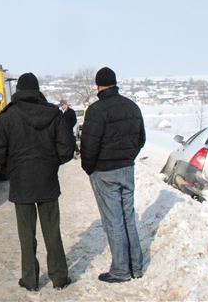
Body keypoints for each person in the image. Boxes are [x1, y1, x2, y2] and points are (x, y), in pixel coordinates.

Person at [0, 73, 76, 292]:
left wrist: (12, 169)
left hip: (21, 183)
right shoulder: (54, 115)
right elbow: (67, 150)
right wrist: (51, 163)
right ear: (38, 90)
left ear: (18, 90)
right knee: (52, 232)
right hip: (47, 181)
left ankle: (30, 280)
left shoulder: (6, 117)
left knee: (26, 236)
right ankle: (59, 277)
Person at [80, 67, 146, 283]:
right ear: (115, 83)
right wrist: (128, 157)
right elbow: (141, 139)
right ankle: (136, 266)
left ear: (98, 86)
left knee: (114, 221)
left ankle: (120, 270)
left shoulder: (97, 110)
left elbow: (89, 145)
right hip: (127, 169)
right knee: (128, 217)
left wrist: (90, 167)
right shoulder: (132, 107)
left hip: (104, 172)